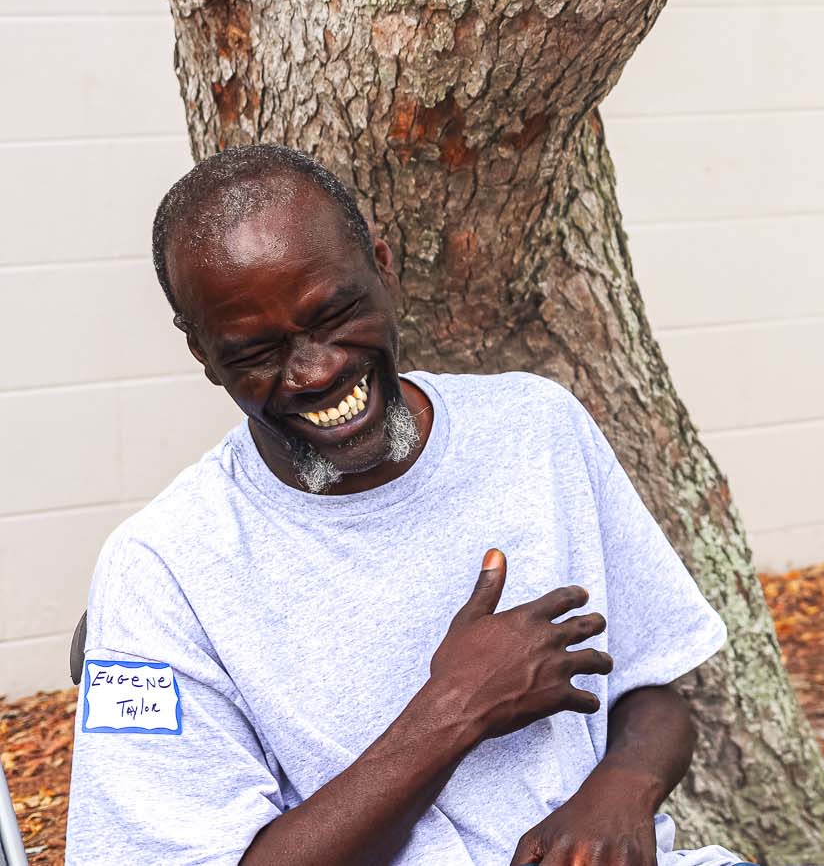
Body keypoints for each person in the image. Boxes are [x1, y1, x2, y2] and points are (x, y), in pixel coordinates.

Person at [68, 144, 748, 866]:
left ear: (384, 269)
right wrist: (456, 707)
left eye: (335, 313)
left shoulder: (535, 427)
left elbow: (650, 685)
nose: (317, 369)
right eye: (256, 350)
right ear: (203, 352)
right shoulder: (162, 567)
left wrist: (622, 789)